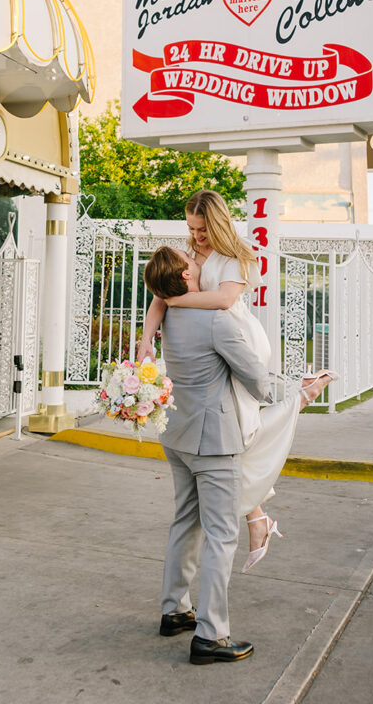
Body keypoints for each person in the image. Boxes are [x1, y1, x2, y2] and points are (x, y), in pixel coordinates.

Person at [137, 190, 337, 572]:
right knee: (235, 441)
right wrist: (147, 337)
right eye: (192, 228)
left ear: (218, 222)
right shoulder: (188, 255)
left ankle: (301, 399)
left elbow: (225, 301)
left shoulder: (236, 256)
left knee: (239, 434)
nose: (196, 236)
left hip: (234, 342)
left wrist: (177, 302)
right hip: (206, 345)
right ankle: (257, 516)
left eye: (203, 229)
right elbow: (161, 297)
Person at [143, 247, 273, 665]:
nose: (198, 257)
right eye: (190, 257)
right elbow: (255, 376)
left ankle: (175, 610)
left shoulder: (171, 315)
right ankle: (212, 635)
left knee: (186, 519)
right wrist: (271, 396)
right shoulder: (215, 319)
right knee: (221, 534)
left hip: (178, 434)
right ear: (185, 276)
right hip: (214, 440)